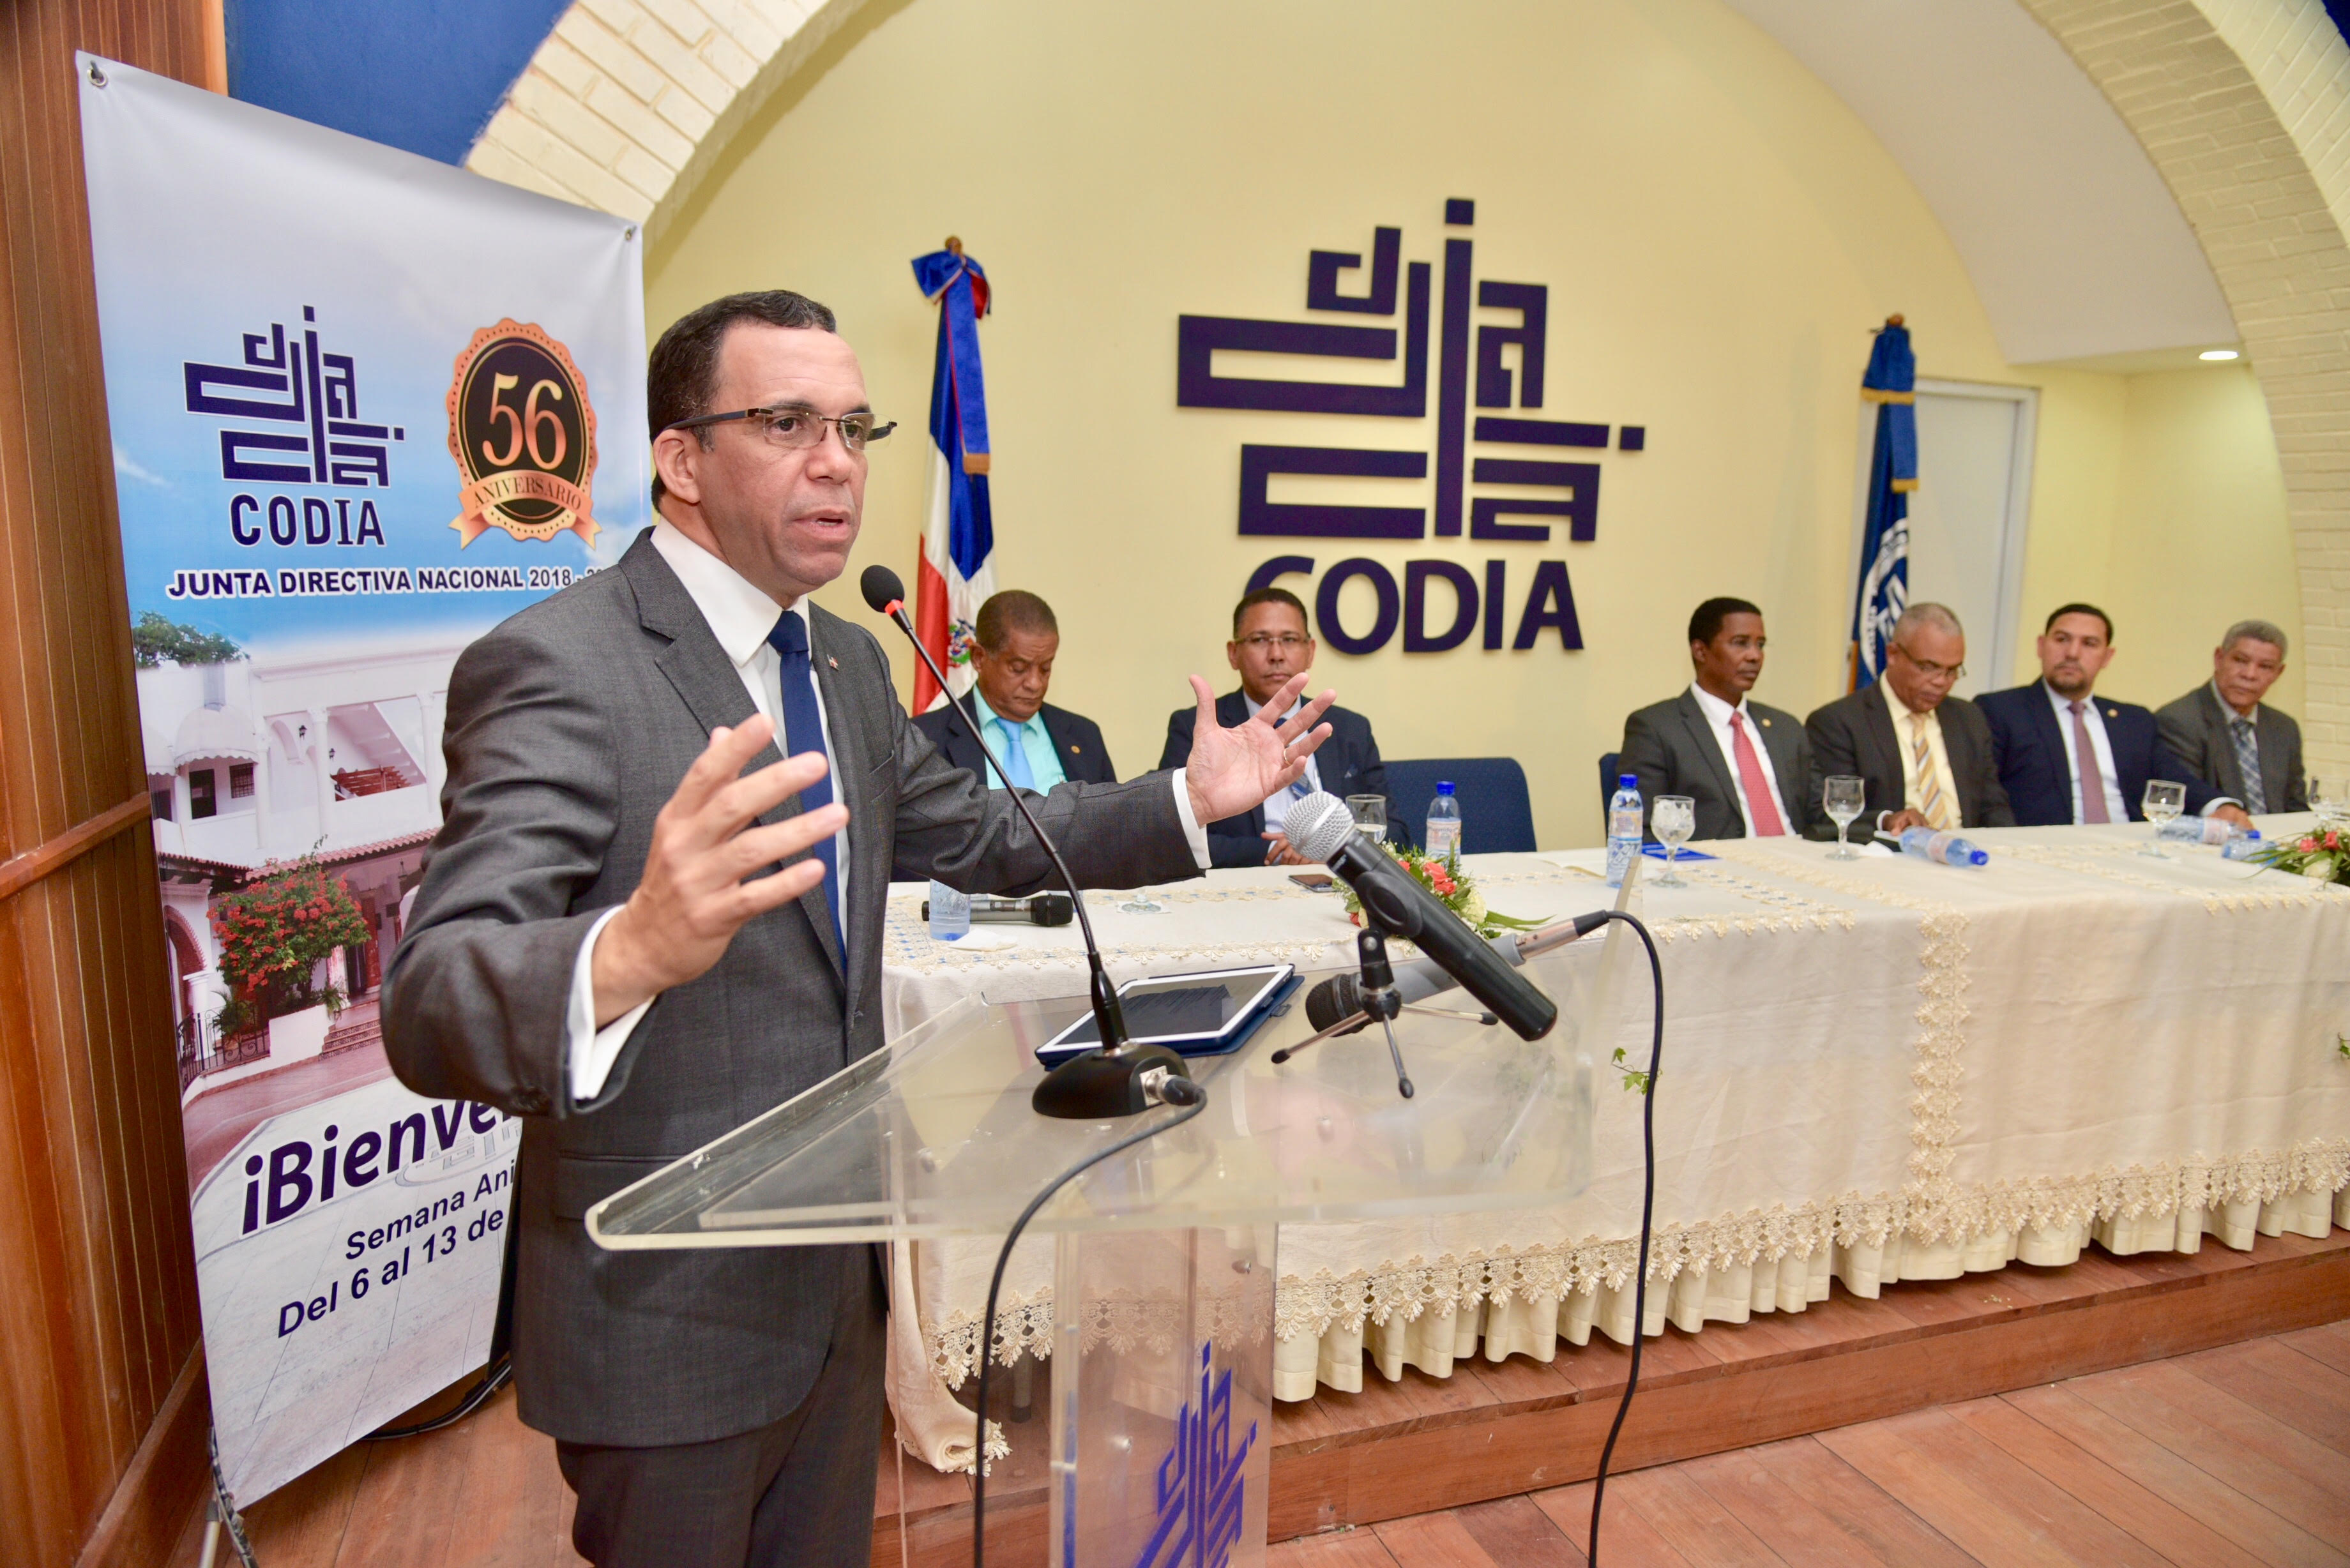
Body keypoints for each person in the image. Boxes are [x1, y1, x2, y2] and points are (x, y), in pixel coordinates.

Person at [380, 289, 1333, 1568]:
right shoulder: (561, 664)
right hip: (665, 1314)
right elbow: (431, 996)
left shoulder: (844, 660)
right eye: (787, 424)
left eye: (853, 428)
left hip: (835, 1295)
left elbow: (988, 836)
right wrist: (628, 952)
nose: (838, 462)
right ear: (681, 460)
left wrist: (1188, 800)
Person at [1158, 585, 1390, 867]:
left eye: (1289, 640)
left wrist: (1330, 846)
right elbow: (1171, 833)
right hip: (1248, 883)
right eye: (1260, 640)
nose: (1276, 654)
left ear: (1310, 651)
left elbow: (1394, 831)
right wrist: (1277, 852)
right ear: (1234, 653)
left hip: (1334, 882)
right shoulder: (1196, 728)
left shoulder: (1351, 729)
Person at [1977, 603, 2248, 828]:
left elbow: (2172, 779)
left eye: (2089, 644)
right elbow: (1986, 797)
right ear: (2041, 646)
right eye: (2062, 639)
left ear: (2107, 657)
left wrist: (2220, 805)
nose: (2072, 653)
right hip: (2047, 852)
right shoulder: (2001, 710)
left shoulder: (2134, 721)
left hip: (2129, 848)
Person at [1618, 597, 1828, 841]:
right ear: (1701, 651)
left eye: (1760, 645)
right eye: (1740, 643)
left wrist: (1869, 821)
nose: (1755, 656)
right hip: (1713, 862)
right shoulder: (1656, 728)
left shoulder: (1786, 728)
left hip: (1797, 857)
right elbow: (1641, 830)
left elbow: (1822, 813)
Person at [1805, 602, 2015, 835]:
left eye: (1952, 671)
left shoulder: (1969, 718)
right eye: (1928, 667)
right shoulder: (1840, 722)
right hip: (1889, 852)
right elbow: (1833, 814)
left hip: (1964, 849)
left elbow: (1993, 806)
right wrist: (1886, 820)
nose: (1941, 681)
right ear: (1893, 654)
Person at [911, 589, 1116, 788]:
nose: (1035, 684)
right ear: (979, 658)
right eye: (1018, 668)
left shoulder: (1084, 735)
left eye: (1045, 668)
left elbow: (1109, 811)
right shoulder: (923, 741)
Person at [2155, 619, 2306, 815]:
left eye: (2265, 666)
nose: (2250, 675)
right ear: (2219, 658)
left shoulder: (2284, 727)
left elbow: (2296, 807)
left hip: (2279, 834)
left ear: (2278, 673)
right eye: (2240, 661)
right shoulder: (2179, 720)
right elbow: (2188, 802)